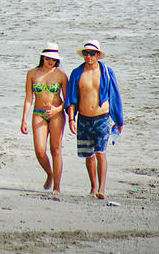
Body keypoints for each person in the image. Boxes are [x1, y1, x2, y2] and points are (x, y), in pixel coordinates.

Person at [64, 40, 123, 199]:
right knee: (88, 156)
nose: (88, 56)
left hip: (102, 118)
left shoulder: (107, 72)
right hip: (83, 119)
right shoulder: (77, 73)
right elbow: (71, 98)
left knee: (100, 153)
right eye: (86, 53)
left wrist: (118, 120)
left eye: (92, 53)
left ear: (98, 55)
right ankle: (93, 187)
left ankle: (102, 188)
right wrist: (71, 119)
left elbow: (115, 97)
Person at [20, 43, 68, 194]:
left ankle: (57, 187)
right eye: (48, 58)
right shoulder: (32, 74)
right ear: (43, 57)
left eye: (53, 59)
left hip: (56, 114)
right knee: (40, 150)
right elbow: (29, 98)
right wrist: (24, 119)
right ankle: (50, 173)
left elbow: (67, 100)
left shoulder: (61, 76)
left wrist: (57, 109)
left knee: (56, 149)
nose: (50, 61)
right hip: (38, 113)